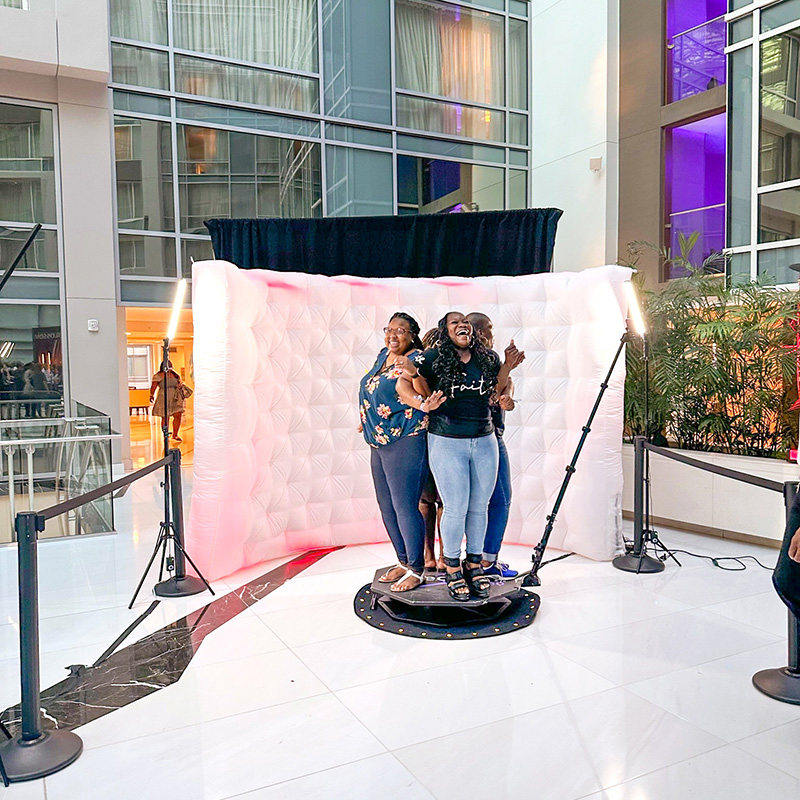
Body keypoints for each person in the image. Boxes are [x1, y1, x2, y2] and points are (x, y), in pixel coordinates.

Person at [398, 312, 519, 602]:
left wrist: (506, 391)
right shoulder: (431, 357)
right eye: (454, 322)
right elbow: (403, 385)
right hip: (447, 440)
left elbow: (497, 390)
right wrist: (421, 404)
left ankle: (473, 565)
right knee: (455, 507)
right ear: (445, 331)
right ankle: (452, 567)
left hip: (484, 439)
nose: (462, 324)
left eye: (465, 321)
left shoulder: (487, 358)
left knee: (479, 506)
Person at [359, 313, 445, 592]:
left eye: (401, 330)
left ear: (412, 335)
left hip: (405, 438)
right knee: (386, 506)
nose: (393, 335)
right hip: (378, 439)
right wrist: (367, 417)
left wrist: (422, 404)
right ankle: (403, 560)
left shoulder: (416, 358)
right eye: (389, 329)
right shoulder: (383, 354)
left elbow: (405, 388)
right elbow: (374, 390)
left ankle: (417, 570)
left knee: (405, 505)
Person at [466, 312, 526, 578]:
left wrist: (508, 396)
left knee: (482, 502)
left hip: (485, 437)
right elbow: (491, 393)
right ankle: (484, 562)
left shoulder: (493, 363)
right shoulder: (474, 364)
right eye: (488, 329)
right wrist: (507, 371)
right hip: (484, 439)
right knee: (498, 500)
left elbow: (504, 390)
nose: (492, 334)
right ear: (479, 333)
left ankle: (480, 560)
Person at [149, 360, 189, 442]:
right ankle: (166, 435)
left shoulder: (175, 375)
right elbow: (154, 386)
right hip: (163, 396)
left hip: (175, 397)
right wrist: (151, 395)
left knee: (178, 415)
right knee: (165, 417)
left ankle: (175, 434)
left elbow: (179, 383)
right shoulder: (158, 376)